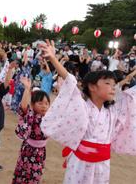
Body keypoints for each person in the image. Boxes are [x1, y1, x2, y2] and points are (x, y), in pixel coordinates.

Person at [40, 40, 136, 184]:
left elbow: (131, 95)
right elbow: (70, 80)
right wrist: (53, 58)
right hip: (81, 164)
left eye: (114, 85)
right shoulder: (82, 106)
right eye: (108, 83)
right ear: (92, 87)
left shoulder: (112, 111)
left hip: (102, 165)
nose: (112, 88)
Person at [12, 76, 50, 183]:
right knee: (24, 173)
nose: (44, 106)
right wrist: (27, 89)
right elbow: (23, 107)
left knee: (35, 176)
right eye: (40, 103)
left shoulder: (49, 117)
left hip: (40, 152)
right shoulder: (31, 114)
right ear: (33, 105)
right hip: (29, 151)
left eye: (46, 103)